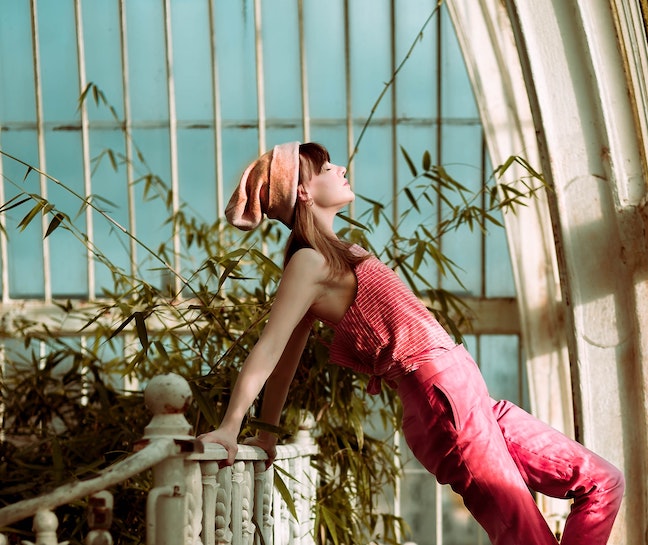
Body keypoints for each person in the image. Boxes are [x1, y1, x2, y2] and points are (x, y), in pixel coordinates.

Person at [198, 141, 625, 545]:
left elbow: (285, 362)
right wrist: (234, 426)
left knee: (602, 482)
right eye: (327, 169)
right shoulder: (307, 263)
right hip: (442, 402)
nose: (341, 168)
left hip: (467, 395)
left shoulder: (340, 253)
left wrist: (270, 434)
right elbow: (274, 351)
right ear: (304, 191)